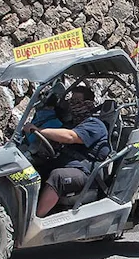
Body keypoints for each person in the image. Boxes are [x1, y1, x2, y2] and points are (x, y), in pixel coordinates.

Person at [22, 85, 110, 217]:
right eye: (71, 102)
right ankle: (20, 213)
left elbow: (70, 137)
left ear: (88, 104)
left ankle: (34, 221)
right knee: (32, 170)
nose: (73, 105)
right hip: (65, 164)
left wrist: (39, 130)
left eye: (77, 102)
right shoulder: (70, 124)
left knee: (58, 176)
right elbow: (59, 137)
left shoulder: (95, 125)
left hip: (86, 173)